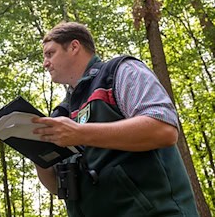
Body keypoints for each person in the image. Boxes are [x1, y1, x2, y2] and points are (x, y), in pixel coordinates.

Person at [32, 22, 199, 216]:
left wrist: (80, 134)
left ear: (74, 47)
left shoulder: (120, 72)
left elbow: (163, 129)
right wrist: (36, 153)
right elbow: (57, 187)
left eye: (50, 54)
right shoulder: (62, 112)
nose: (45, 63)